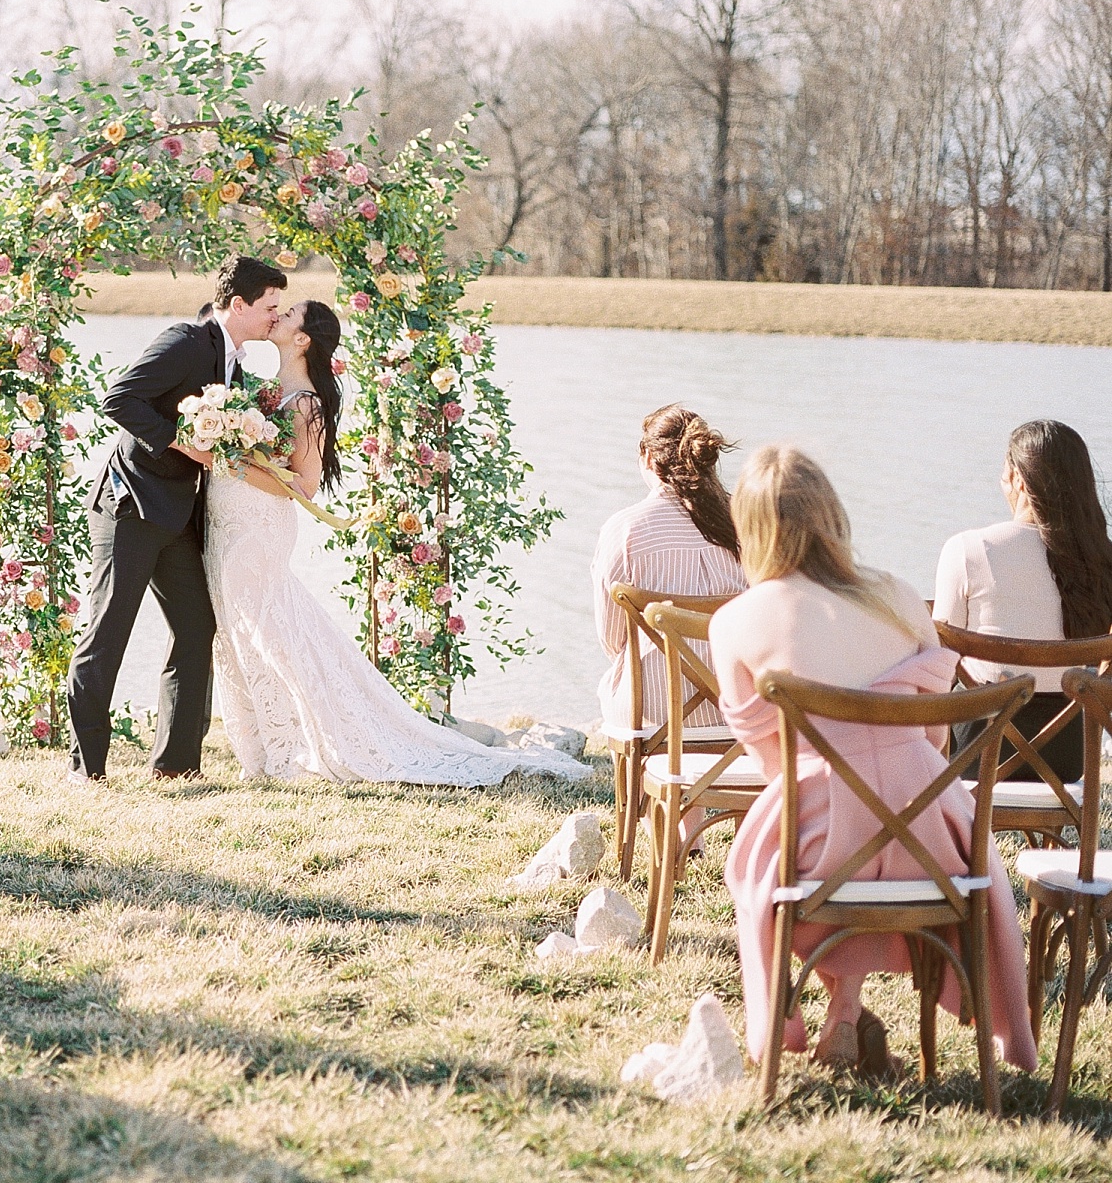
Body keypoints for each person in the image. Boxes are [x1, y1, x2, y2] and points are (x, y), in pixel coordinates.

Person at [710, 446, 1035, 1077]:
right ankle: (848, 1017)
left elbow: (773, 763)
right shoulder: (898, 595)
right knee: (879, 808)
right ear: (833, 516)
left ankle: (827, 1019)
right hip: (936, 845)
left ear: (748, 528)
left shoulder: (735, 622)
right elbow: (937, 737)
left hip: (821, 850)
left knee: (774, 844)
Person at [205, 300, 590, 785]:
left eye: (291, 313)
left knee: (270, 633)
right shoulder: (265, 393)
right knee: (245, 633)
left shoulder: (306, 404)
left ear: (302, 339)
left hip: (260, 528)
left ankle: (303, 744)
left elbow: (303, 484)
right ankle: (270, 744)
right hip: (230, 524)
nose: (278, 314)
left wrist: (232, 464)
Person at [66, 255, 283, 783]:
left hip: (181, 516)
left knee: (196, 627)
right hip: (132, 507)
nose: (276, 317)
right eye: (270, 308)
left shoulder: (236, 363)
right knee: (107, 632)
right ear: (238, 305)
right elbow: (119, 398)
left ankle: (177, 766)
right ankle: (85, 767)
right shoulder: (186, 340)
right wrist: (185, 443)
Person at [934, 420, 1112, 785]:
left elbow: (939, 666)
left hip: (978, 753)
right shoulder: (1101, 560)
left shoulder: (969, 550)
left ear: (1017, 479)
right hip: (1065, 758)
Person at [591, 404, 747, 732]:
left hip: (652, 712)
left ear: (649, 458)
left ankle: (638, 782)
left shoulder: (625, 530)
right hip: (738, 708)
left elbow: (612, 640)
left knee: (619, 677)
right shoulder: (745, 522)